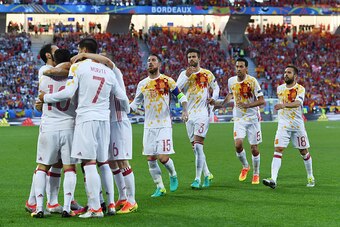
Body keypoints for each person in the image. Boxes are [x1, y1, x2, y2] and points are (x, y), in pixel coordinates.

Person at [39, 38, 130, 218]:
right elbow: (122, 97)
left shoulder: (78, 67)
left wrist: (46, 98)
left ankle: (95, 208)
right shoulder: (107, 70)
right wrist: (128, 111)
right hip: (104, 120)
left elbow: (68, 93)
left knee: (88, 164)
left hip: (86, 118)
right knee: (103, 162)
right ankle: (110, 204)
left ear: (83, 49)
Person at [71, 52, 138, 214]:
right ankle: (121, 197)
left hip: (119, 122)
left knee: (122, 161)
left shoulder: (114, 71)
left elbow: (107, 60)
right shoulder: (103, 73)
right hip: (107, 122)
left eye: (100, 59)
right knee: (111, 162)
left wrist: (85, 55)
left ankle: (132, 200)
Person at [29, 45, 79, 218]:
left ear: (54, 61)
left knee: (42, 167)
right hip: (68, 126)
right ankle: (66, 207)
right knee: (70, 168)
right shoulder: (73, 78)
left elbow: (39, 102)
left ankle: (40, 207)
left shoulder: (43, 77)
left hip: (48, 127)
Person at [130, 54, 188, 197]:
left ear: (159, 64)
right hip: (148, 126)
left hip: (164, 125)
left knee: (163, 158)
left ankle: (173, 174)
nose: (150, 62)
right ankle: (160, 187)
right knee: (150, 159)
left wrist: (185, 110)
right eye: (148, 61)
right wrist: (122, 108)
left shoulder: (167, 81)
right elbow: (134, 104)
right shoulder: (142, 84)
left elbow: (181, 97)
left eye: (153, 60)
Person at [263, 65, 315, 189]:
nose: (285, 74)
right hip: (283, 124)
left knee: (303, 151)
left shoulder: (300, 89)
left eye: (289, 72)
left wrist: (283, 105)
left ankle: (310, 176)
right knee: (278, 149)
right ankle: (273, 179)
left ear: (295, 76)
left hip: (297, 125)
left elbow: (298, 103)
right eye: (285, 72)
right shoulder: (280, 88)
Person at [215, 58, 265, 184]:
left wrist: (247, 105)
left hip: (253, 118)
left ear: (246, 68)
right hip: (239, 118)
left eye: (241, 66)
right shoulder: (231, 81)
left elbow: (262, 101)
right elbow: (231, 94)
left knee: (254, 148)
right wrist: (221, 104)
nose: (238, 69)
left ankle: (256, 173)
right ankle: (245, 166)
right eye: (237, 66)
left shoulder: (252, 82)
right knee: (238, 145)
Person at [177, 48, 219, 189]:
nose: (191, 59)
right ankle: (207, 174)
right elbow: (176, 90)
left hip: (202, 113)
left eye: (194, 56)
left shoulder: (207, 74)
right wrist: (186, 76)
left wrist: (214, 98)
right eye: (189, 57)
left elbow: (216, 87)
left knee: (198, 146)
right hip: (188, 114)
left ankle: (197, 179)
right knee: (195, 148)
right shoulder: (184, 74)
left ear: (199, 58)